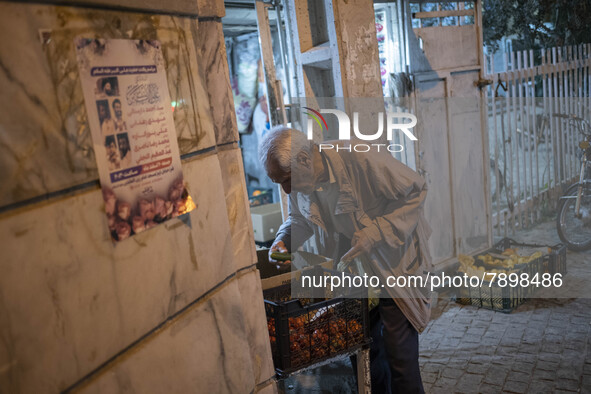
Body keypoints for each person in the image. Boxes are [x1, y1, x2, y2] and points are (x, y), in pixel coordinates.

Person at [259, 126, 432, 393]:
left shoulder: (360, 158)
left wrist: (375, 233)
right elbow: (299, 218)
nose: (285, 189)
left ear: (304, 160)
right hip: (356, 266)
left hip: (393, 261)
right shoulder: (302, 179)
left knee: (399, 352)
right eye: (278, 182)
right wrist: (284, 240)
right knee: (363, 345)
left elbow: (416, 190)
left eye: (286, 180)